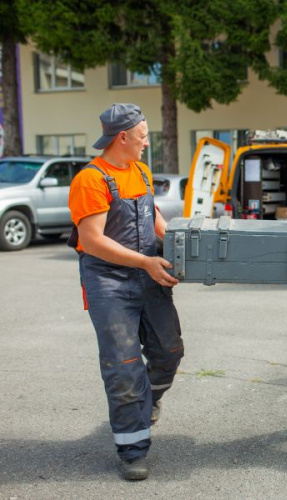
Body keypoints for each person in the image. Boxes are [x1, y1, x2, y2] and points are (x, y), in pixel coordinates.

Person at [68, 103, 184, 480]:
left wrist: (181, 249)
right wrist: (146, 262)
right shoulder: (91, 179)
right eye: (143, 136)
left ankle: (145, 402)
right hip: (109, 283)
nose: (147, 142)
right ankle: (133, 450)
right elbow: (92, 241)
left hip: (146, 274)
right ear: (123, 137)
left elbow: (154, 220)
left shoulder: (141, 171)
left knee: (169, 351)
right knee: (124, 367)